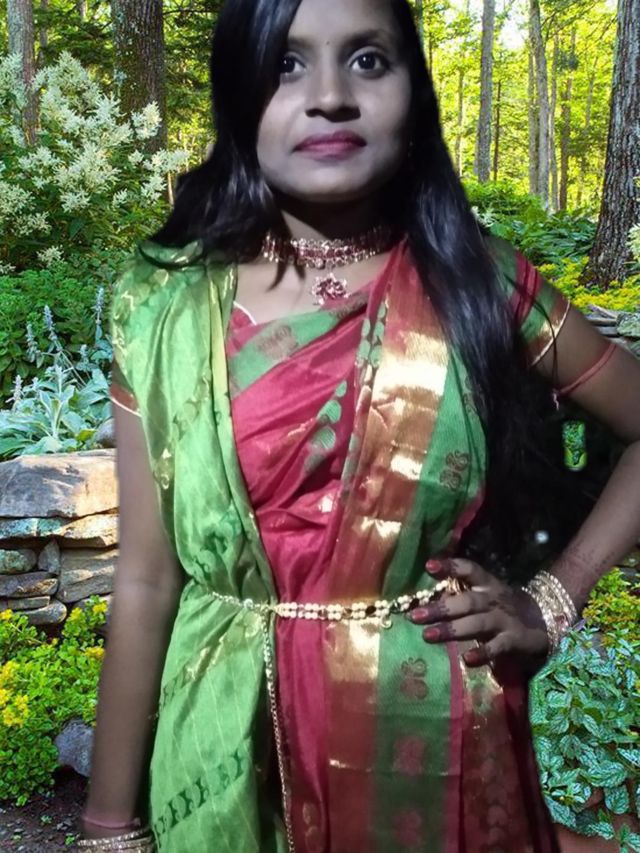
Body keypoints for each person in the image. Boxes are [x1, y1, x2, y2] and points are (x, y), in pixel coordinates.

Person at [78, 0, 640, 850]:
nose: (330, 95)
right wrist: (107, 828)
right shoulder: (163, 312)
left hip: (433, 745)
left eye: (368, 60)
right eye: (287, 63)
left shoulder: (477, 283)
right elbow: (147, 581)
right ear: (238, 90)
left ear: (415, 90)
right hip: (226, 750)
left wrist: (554, 595)